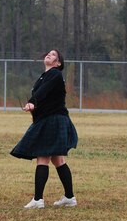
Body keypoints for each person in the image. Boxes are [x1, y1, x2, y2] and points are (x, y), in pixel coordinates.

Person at [10, 49, 78, 209]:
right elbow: (44, 94)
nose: (49, 55)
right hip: (52, 119)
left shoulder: (54, 74)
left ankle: (38, 200)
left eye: (54, 55)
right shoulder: (45, 76)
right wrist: (34, 107)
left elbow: (42, 92)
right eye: (48, 53)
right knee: (58, 160)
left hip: (53, 120)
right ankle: (69, 197)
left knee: (43, 157)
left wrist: (33, 101)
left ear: (58, 63)